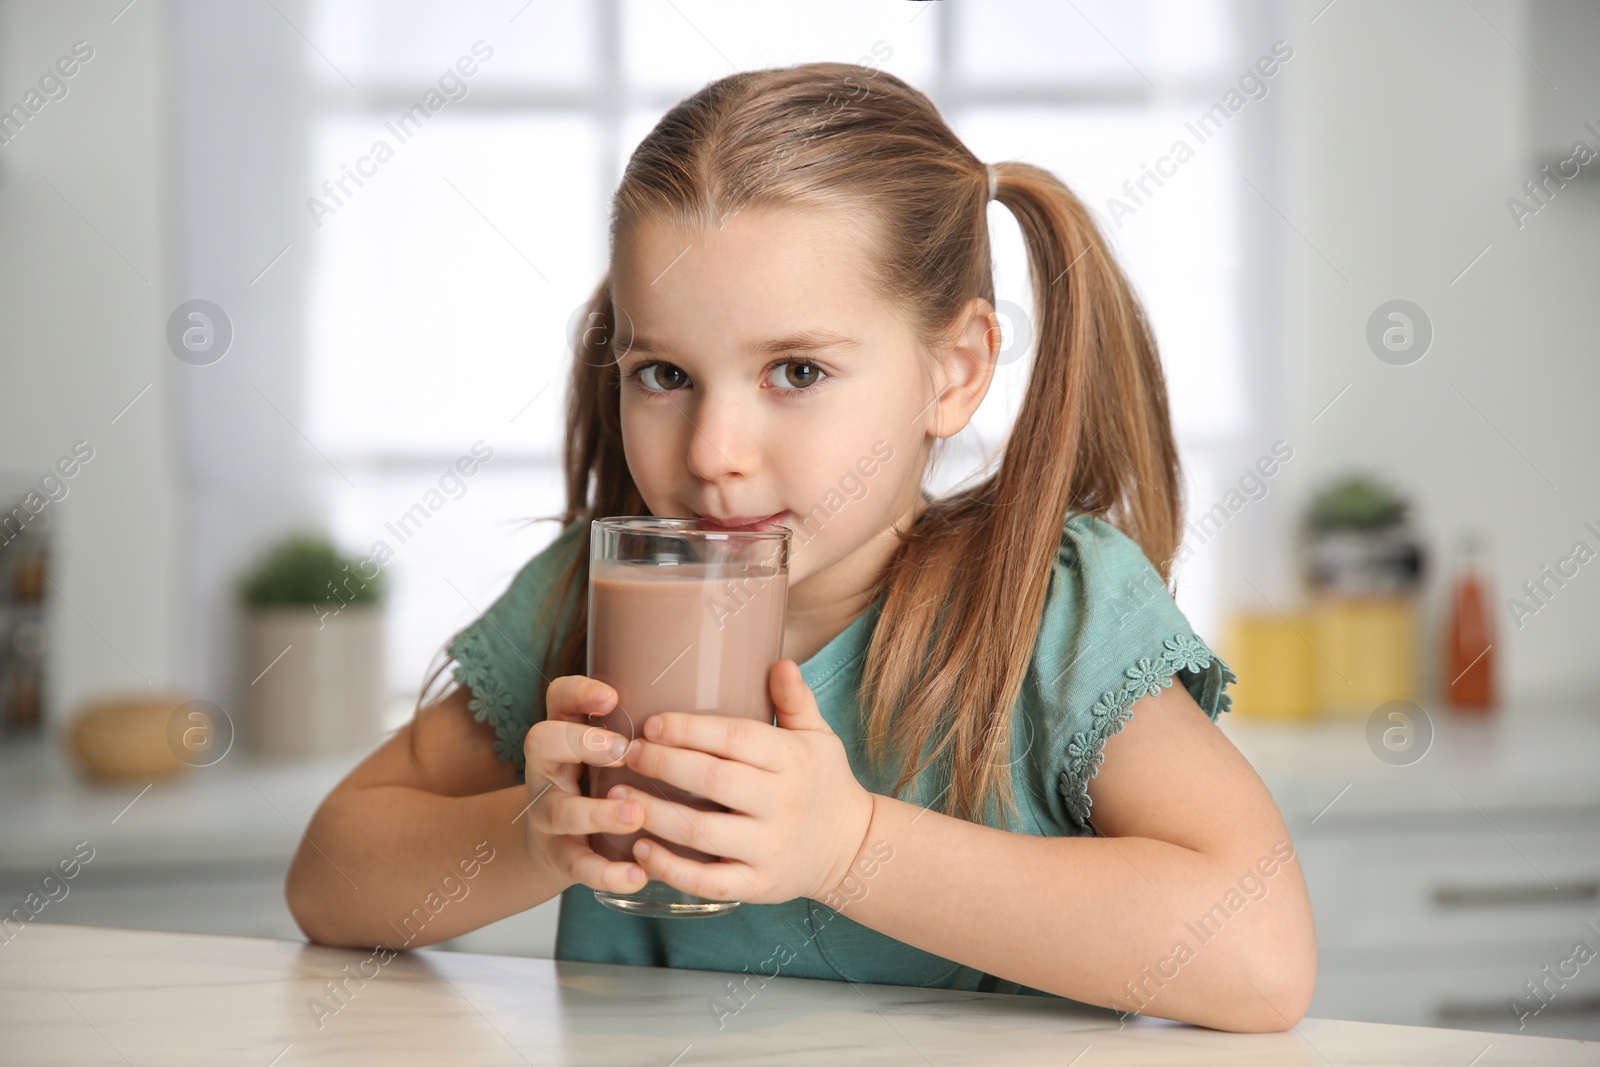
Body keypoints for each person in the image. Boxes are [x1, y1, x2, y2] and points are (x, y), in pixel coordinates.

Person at [286, 61, 1316, 1033]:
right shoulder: (590, 596)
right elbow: (328, 878)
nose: (713, 451)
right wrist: (529, 835)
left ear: (953, 371)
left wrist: (849, 846)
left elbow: (1260, 952)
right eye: (664, 374)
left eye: (796, 372)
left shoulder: (1045, 612)